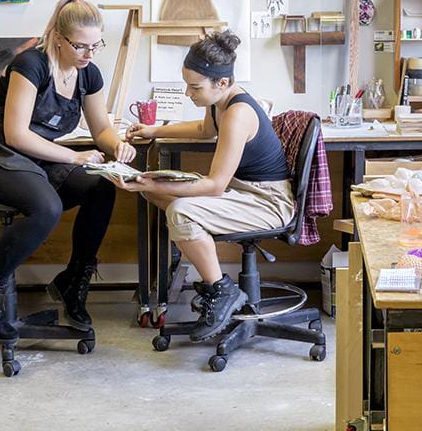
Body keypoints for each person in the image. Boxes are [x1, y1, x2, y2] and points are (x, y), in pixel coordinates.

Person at [0, 0, 136, 344]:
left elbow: (100, 129)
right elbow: (16, 134)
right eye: (81, 46)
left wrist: (117, 145)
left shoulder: (88, 74)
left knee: (100, 187)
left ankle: (72, 281)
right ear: (58, 38)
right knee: (46, 206)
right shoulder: (31, 64)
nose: (89, 54)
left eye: (96, 45)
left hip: (37, 159)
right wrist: (75, 157)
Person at [116, 31, 293, 342]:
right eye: (187, 84)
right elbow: (202, 130)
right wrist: (154, 130)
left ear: (221, 83)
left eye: (195, 87)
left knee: (181, 210)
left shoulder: (238, 113)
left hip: (268, 201)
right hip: (243, 191)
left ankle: (222, 291)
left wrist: (161, 181)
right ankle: (191, 259)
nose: (188, 93)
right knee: (151, 191)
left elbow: (214, 186)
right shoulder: (219, 104)